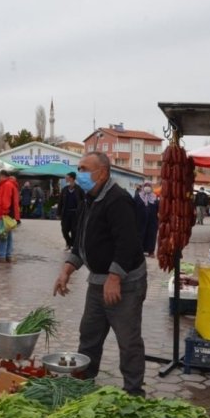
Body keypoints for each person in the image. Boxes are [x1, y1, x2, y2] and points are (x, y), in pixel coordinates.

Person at [53, 152, 147, 397]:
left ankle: (134, 392)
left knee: (128, 340)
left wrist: (114, 277)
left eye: (84, 169)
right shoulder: (89, 198)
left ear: (102, 173)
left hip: (125, 284)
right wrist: (67, 269)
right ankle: (84, 385)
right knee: (89, 335)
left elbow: (128, 243)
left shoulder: (118, 200)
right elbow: (81, 241)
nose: (79, 173)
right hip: (97, 282)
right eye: (79, 168)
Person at [0, 170, 21, 263]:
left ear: (1, 176)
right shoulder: (10, 184)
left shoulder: (6, 185)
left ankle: (1, 255)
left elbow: (5, 201)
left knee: (2, 235)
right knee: (7, 235)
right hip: (8, 215)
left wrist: (3, 213)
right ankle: (7, 255)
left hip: (4, 214)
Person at [57, 172, 84, 251]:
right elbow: (60, 202)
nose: (66, 179)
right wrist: (58, 213)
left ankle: (72, 245)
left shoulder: (79, 189)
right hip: (66, 213)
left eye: (67, 177)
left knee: (74, 230)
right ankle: (69, 243)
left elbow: (84, 202)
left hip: (75, 214)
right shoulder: (64, 190)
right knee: (64, 230)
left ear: (72, 178)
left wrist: (82, 212)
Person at [134, 182, 159, 258]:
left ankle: (151, 251)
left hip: (152, 221)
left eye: (149, 186)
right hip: (140, 221)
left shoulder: (154, 198)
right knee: (140, 235)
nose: (147, 187)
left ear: (151, 188)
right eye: (146, 185)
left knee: (151, 236)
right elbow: (133, 207)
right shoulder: (138, 197)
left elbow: (158, 209)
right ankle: (139, 251)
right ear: (143, 187)